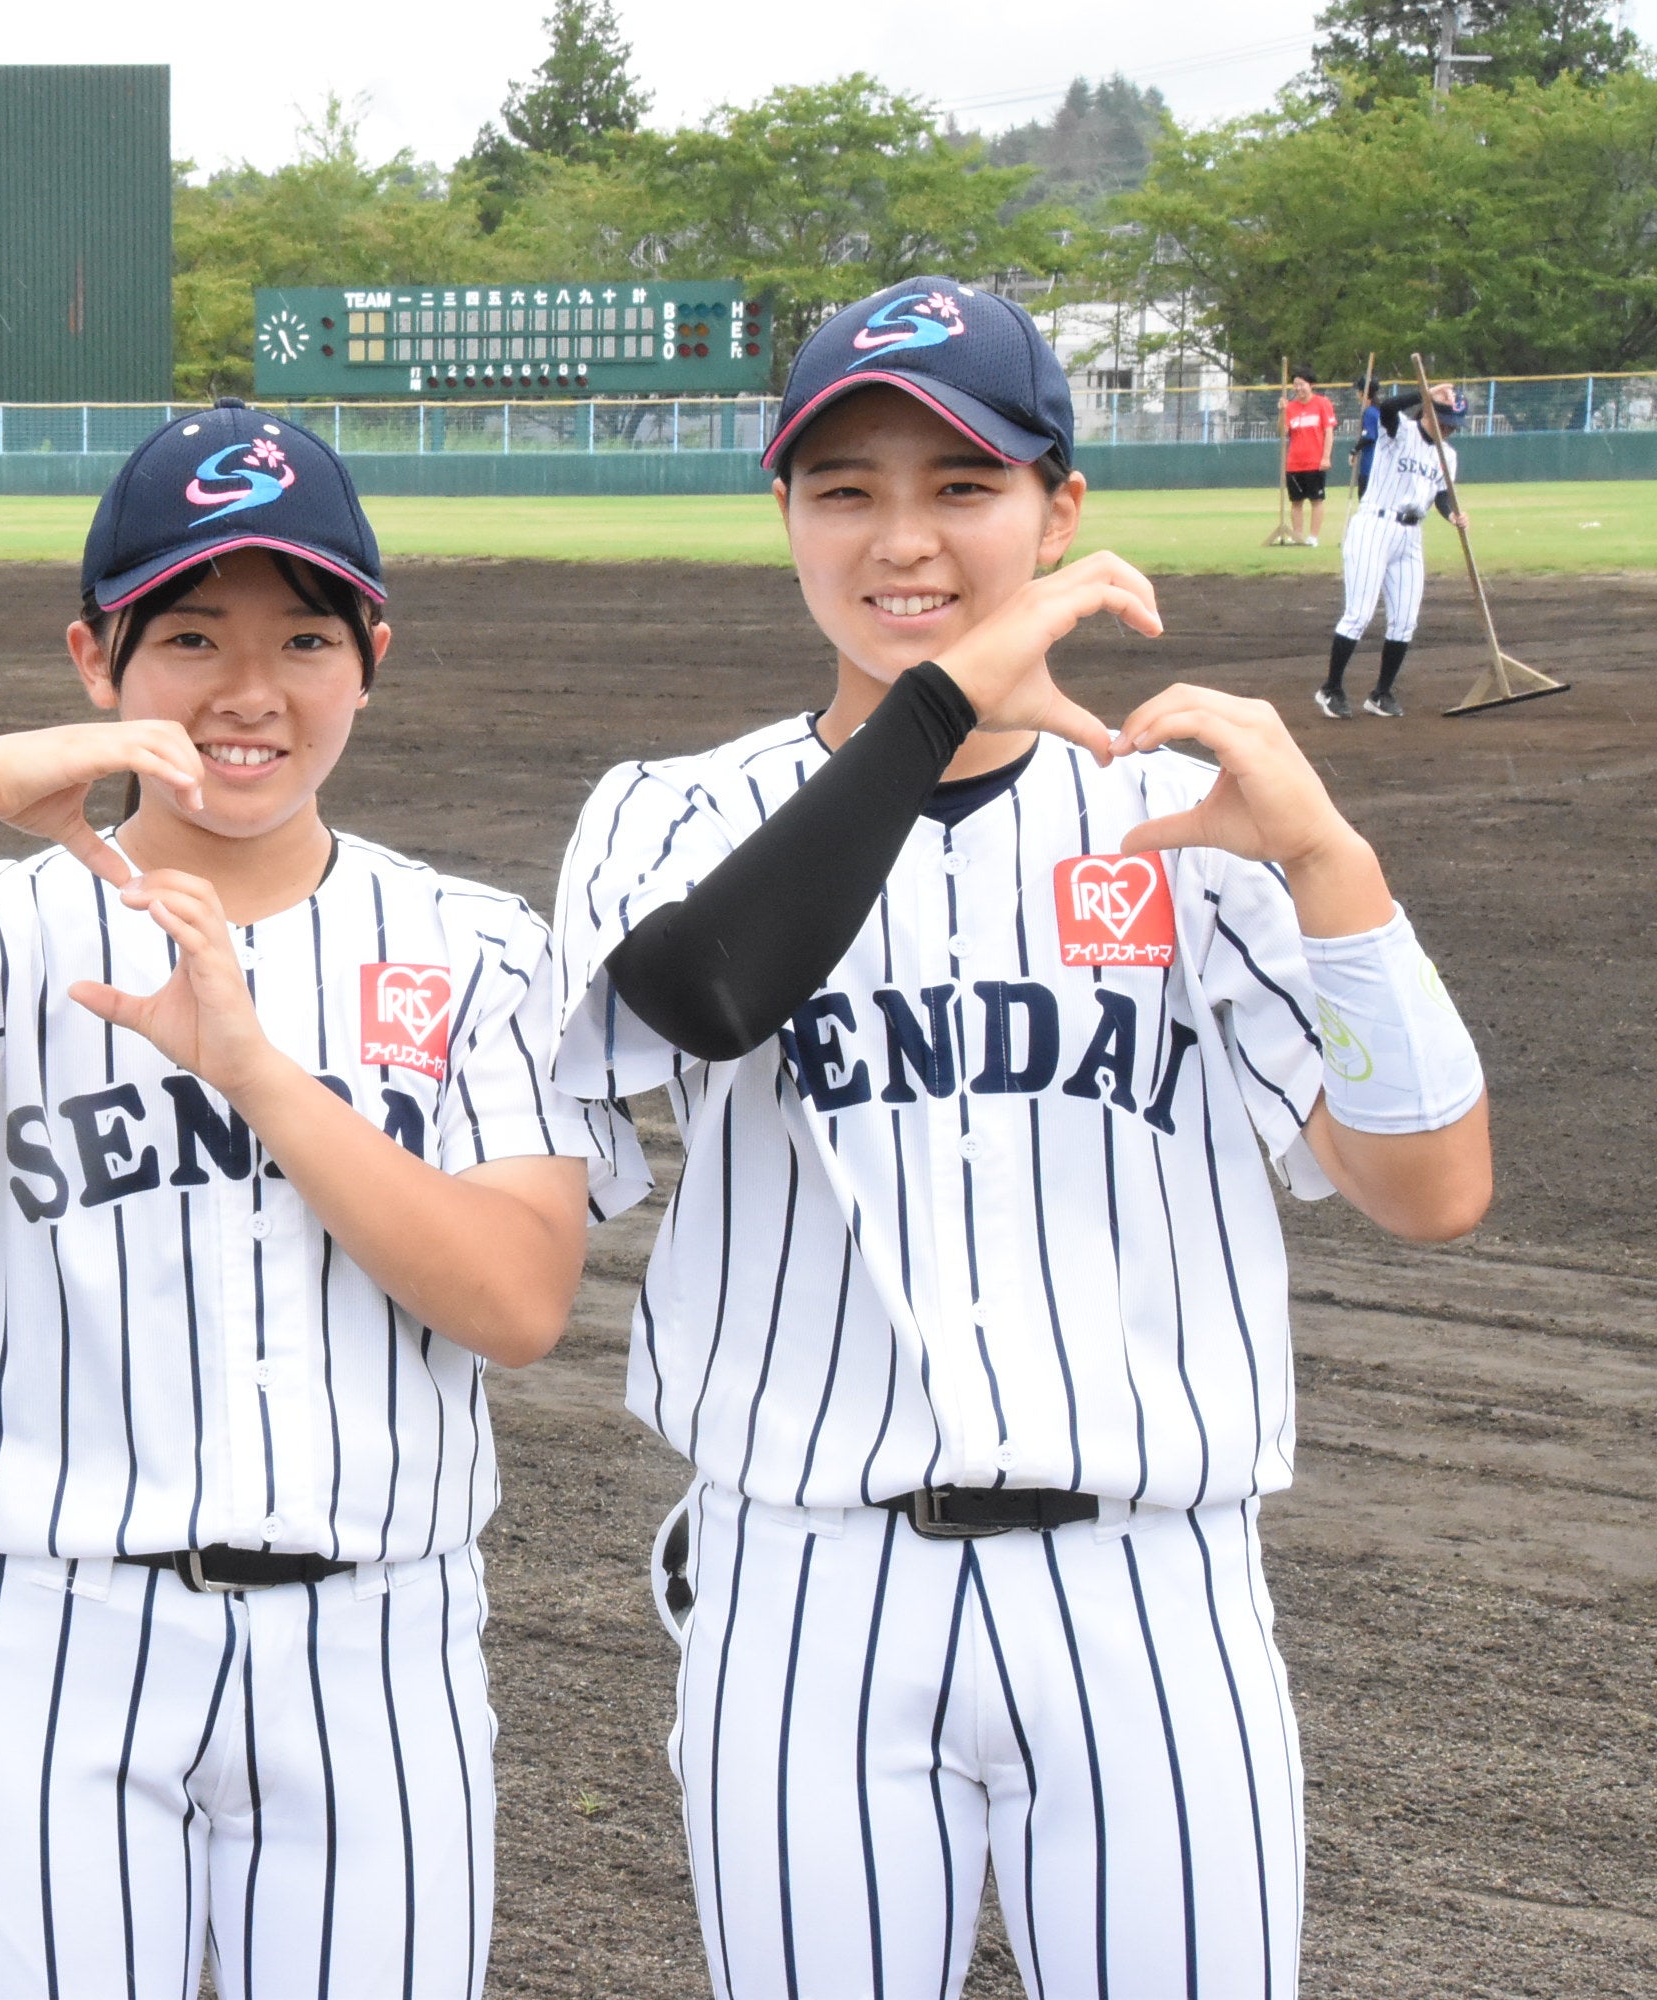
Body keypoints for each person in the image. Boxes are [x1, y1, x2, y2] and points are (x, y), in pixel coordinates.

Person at [548, 276, 1494, 2000]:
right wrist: (939, 699)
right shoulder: (670, 811)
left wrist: (1333, 871)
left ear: (1060, 513)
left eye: (960, 486)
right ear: (782, 515)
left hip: (1149, 1592)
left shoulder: (1179, 813)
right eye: (843, 489)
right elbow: (705, 989)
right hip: (807, 1580)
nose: (899, 536)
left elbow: (1431, 1186)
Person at [0, 400, 638, 2000]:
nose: (250, 692)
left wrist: (259, 1073)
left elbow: (517, 1305)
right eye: (189, 637)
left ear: (371, 651)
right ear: (97, 663)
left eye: (305, 636)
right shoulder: (0, 930)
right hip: (49, 1639)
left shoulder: (471, 945)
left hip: (375, 1650)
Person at [1320, 380, 1466, 720]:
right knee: (1359, 614)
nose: (1449, 431)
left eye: (1453, 426)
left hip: (1411, 535)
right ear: (1429, 413)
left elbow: (1442, 495)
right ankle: (1331, 688)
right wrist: (1426, 394)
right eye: (1444, 422)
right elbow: (1384, 408)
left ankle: (1381, 694)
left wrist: (1453, 515)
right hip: (1374, 525)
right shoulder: (1399, 429)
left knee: (1404, 621)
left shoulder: (1449, 456)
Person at [1279, 367, 1333, 546]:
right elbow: (1282, 432)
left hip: (1314, 462)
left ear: (1311, 385)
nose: (1298, 388)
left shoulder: (1322, 403)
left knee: (1316, 500)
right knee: (1296, 502)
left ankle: (1313, 537)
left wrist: (1326, 457)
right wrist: (1282, 411)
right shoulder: (1290, 407)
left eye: (1302, 384)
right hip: (1294, 463)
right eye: (1295, 385)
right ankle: (1298, 536)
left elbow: (1328, 431)